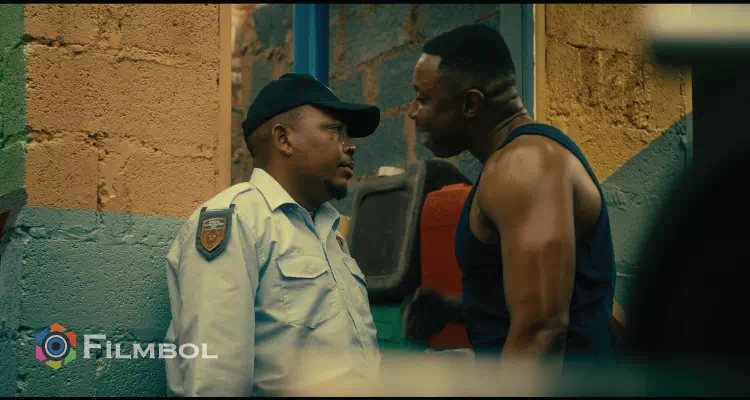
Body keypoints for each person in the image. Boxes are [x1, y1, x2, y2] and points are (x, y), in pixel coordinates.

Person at [401, 24, 617, 368]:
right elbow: (568, 297)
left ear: (470, 103)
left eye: (424, 99)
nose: (414, 111)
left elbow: (541, 333)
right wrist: (453, 309)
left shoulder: (523, 165)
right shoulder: (520, 162)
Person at [164, 73, 382, 396]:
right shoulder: (239, 221)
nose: (350, 146)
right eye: (335, 130)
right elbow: (215, 380)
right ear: (284, 139)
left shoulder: (330, 234)